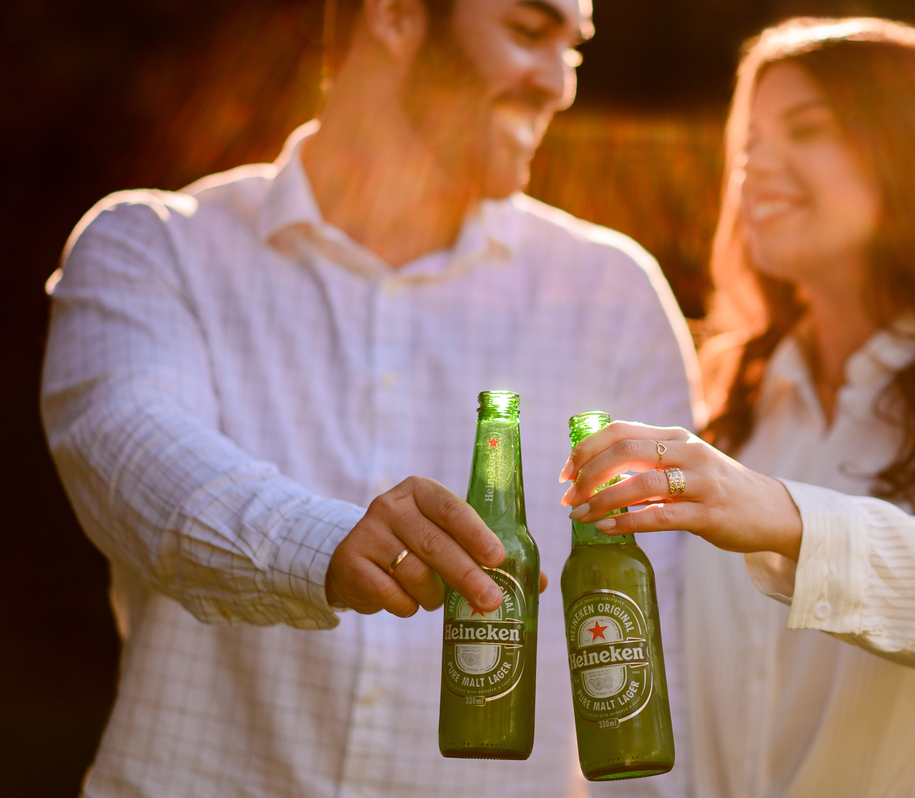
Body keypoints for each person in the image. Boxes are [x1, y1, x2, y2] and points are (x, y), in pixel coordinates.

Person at [41, 1, 699, 796]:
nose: (560, 85)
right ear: (393, 16)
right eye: (528, 33)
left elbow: (665, 648)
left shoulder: (615, 296)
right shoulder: (153, 246)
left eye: (574, 49)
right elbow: (134, 458)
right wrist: (324, 544)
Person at [561, 17, 915, 798]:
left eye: (806, 130)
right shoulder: (733, 409)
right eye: (749, 143)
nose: (756, 166)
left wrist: (785, 517)